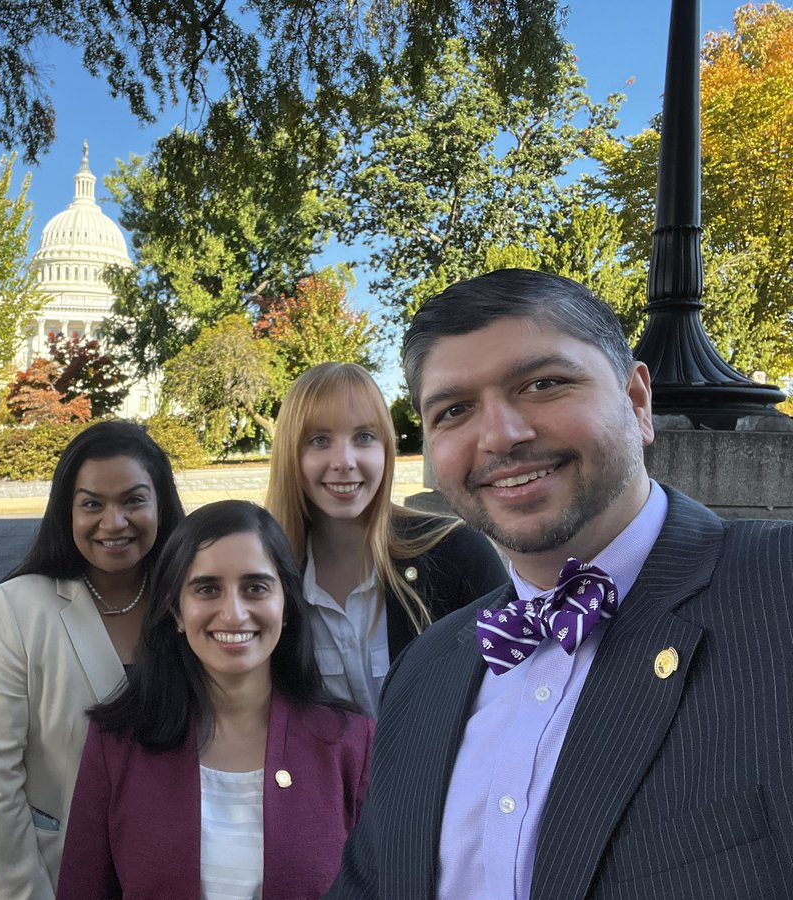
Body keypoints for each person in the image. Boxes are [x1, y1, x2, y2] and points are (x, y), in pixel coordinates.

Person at [328, 268, 793, 899]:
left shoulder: (779, 594)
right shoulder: (425, 671)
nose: (501, 436)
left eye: (544, 384)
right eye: (454, 410)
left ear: (636, 401)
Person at [58, 500, 373, 899]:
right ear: (176, 610)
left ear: (287, 605)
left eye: (255, 587)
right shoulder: (117, 743)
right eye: (207, 589)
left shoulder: (351, 745)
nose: (234, 613)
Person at [0, 420, 185, 899]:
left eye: (133, 500)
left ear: (161, 505)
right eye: (91, 504)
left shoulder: (190, 605)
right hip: (39, 877)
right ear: (67, 511)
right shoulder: (18, 608)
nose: (114, 521)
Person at [266, 362, 507, 715]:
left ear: (386, 449)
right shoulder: (267, 578)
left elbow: (516, 691)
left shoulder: (458, 554)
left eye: (364, 437)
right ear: (291, 454)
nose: (345, 461)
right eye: (320, 440)